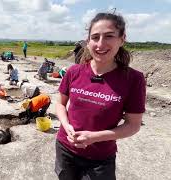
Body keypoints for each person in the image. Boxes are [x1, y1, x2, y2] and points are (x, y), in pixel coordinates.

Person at [55, 12, 146, 180]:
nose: (100, 44)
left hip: (100, 158)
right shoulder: (74, 71)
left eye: (109, 36)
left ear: (122, 39)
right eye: (95, 37)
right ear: (88, 41)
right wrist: (66, 124)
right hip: (65, 149)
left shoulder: (133, 79)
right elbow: (60, 104)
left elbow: (133, 125)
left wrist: (94, 137)